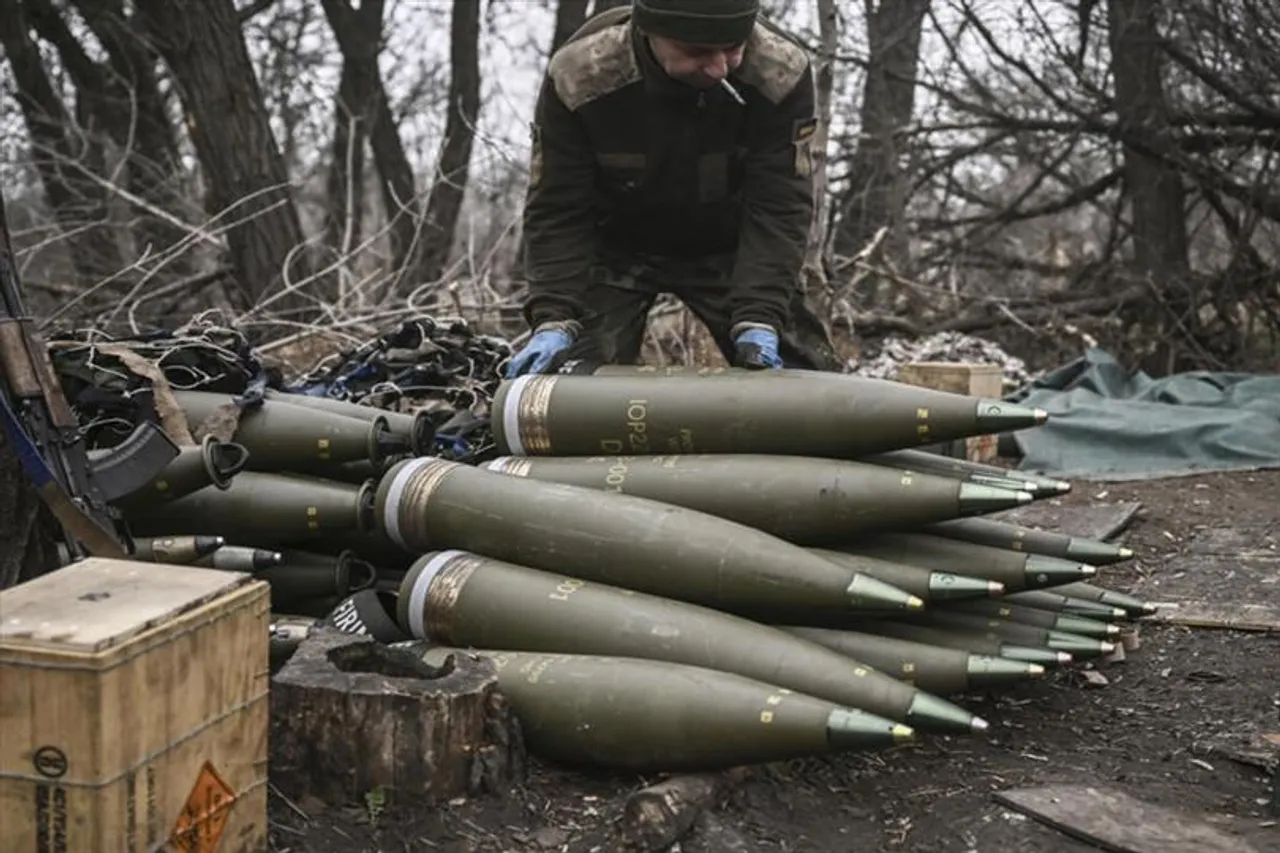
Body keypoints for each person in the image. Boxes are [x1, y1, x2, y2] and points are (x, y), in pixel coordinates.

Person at [505, 0, 843, 377]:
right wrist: (555, 316)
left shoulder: (779, 72)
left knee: (808, 377)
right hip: (613, 248)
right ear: (650, 32)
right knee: (567, 385)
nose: (718, 69)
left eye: (733, 48)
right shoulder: (582, 75)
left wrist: (760, 314)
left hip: (732, 247)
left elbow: (780, 204)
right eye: (697, 52)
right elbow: (558, 207)